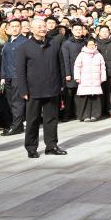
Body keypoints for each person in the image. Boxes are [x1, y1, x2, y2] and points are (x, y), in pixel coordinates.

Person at [15, 19, 68, 159]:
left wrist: (61, 84)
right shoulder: (24, 47)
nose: (42, 29)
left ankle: (51, 146)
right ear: (32, 29)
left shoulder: (54, 44)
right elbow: (20, 71)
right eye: (39, 27)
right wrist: (23, 90)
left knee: (51, 119)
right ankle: (31, 148)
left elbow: (61, 66)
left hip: (52, 87)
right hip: (33, 90)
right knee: (32, 120)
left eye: (44, 26)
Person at [0, 20, 28, 133]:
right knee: (11, 102)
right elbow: (4, 60)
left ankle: (16, 127)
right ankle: (17, 125)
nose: (15, 28)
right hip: (8, 76)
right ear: (8, 29)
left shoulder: (25, 42)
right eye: (12, 26)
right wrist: (3, 76)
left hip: (18, 76)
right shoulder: (7, 42)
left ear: (21, 28)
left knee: (17, 102)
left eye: (17, 26)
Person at [73, 37, 106, 122]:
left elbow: (103, 67)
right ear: (86, 45)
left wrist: (103, 77)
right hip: (84, 80)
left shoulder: (98, 54)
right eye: (89, 45)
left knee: (95, 98)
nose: (91, 46)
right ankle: (85, 115)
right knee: (85, 98)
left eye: (93, 44)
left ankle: (95, 115)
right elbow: (77, 67)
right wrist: (77, 77)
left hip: (96, 80)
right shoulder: (82, 54)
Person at [59, 23, 87, 121]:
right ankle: (67, 115)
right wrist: (68, 74)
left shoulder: (85, 42)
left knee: (80, 95)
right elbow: (65, 60)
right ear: (72, 30)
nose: (78, 31)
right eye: (76, 29)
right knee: (69, 95)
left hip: (84, 72)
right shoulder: (67, 43)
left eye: (80, 29)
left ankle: (79, 114)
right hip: (71, 72)